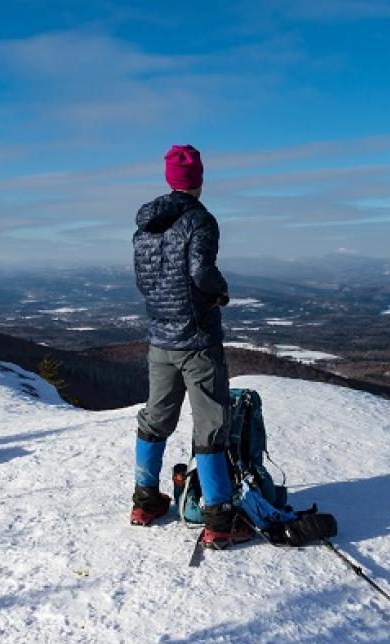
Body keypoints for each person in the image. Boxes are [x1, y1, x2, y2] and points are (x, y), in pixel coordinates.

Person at [130, 144, 251, 549]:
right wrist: (220, 291)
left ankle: (145, 501)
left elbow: (144, 281)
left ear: (170, 178)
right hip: (197, 340)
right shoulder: (201, 220)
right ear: (198, 179)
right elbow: (201, 271)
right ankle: (219, 517)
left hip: (160, 339)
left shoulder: (145, 227)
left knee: (155, 419)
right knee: (211, 424)